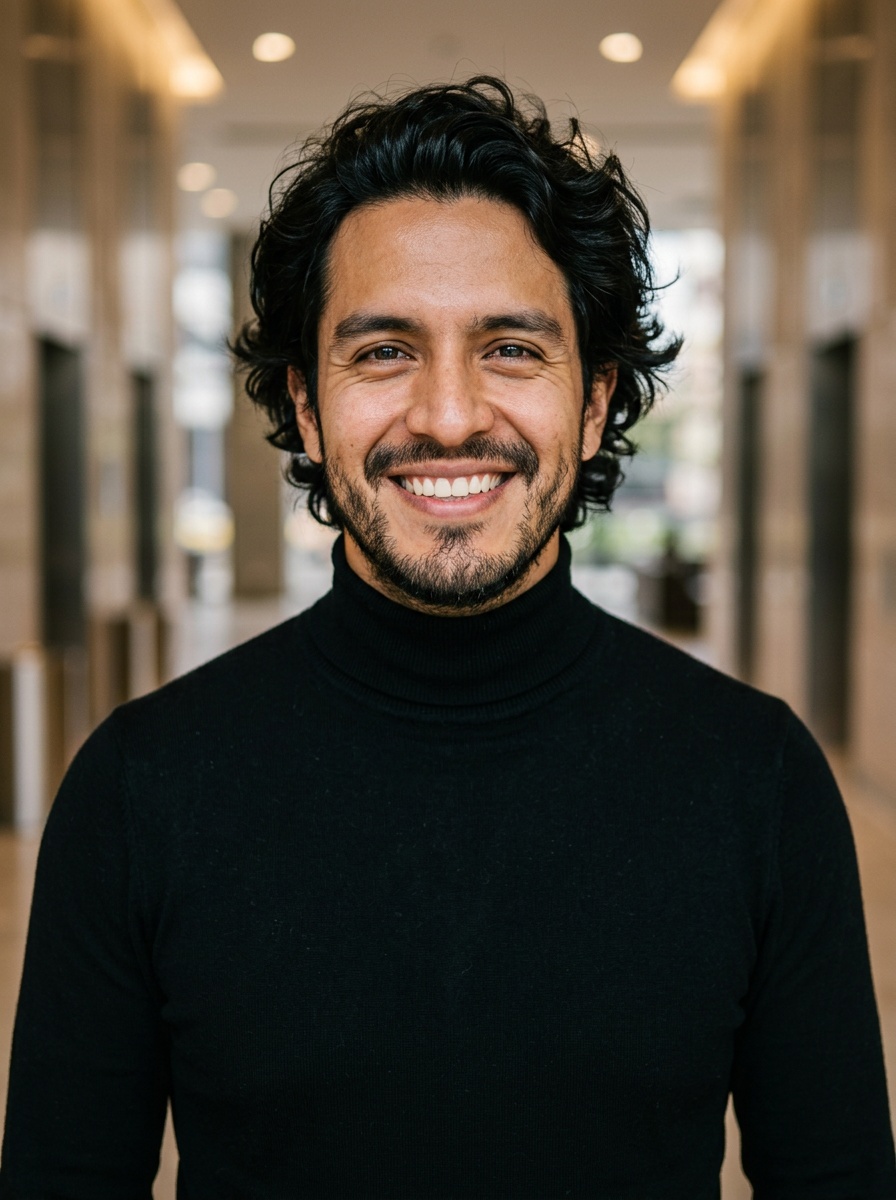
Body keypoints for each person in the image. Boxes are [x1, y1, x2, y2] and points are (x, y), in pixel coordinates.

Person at [2, 76, 894, 1199]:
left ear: (593, 397)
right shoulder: (140, 790)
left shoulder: (755, 781)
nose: (448, 414)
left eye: (510, 348)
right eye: (382, 351)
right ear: (307, 405)